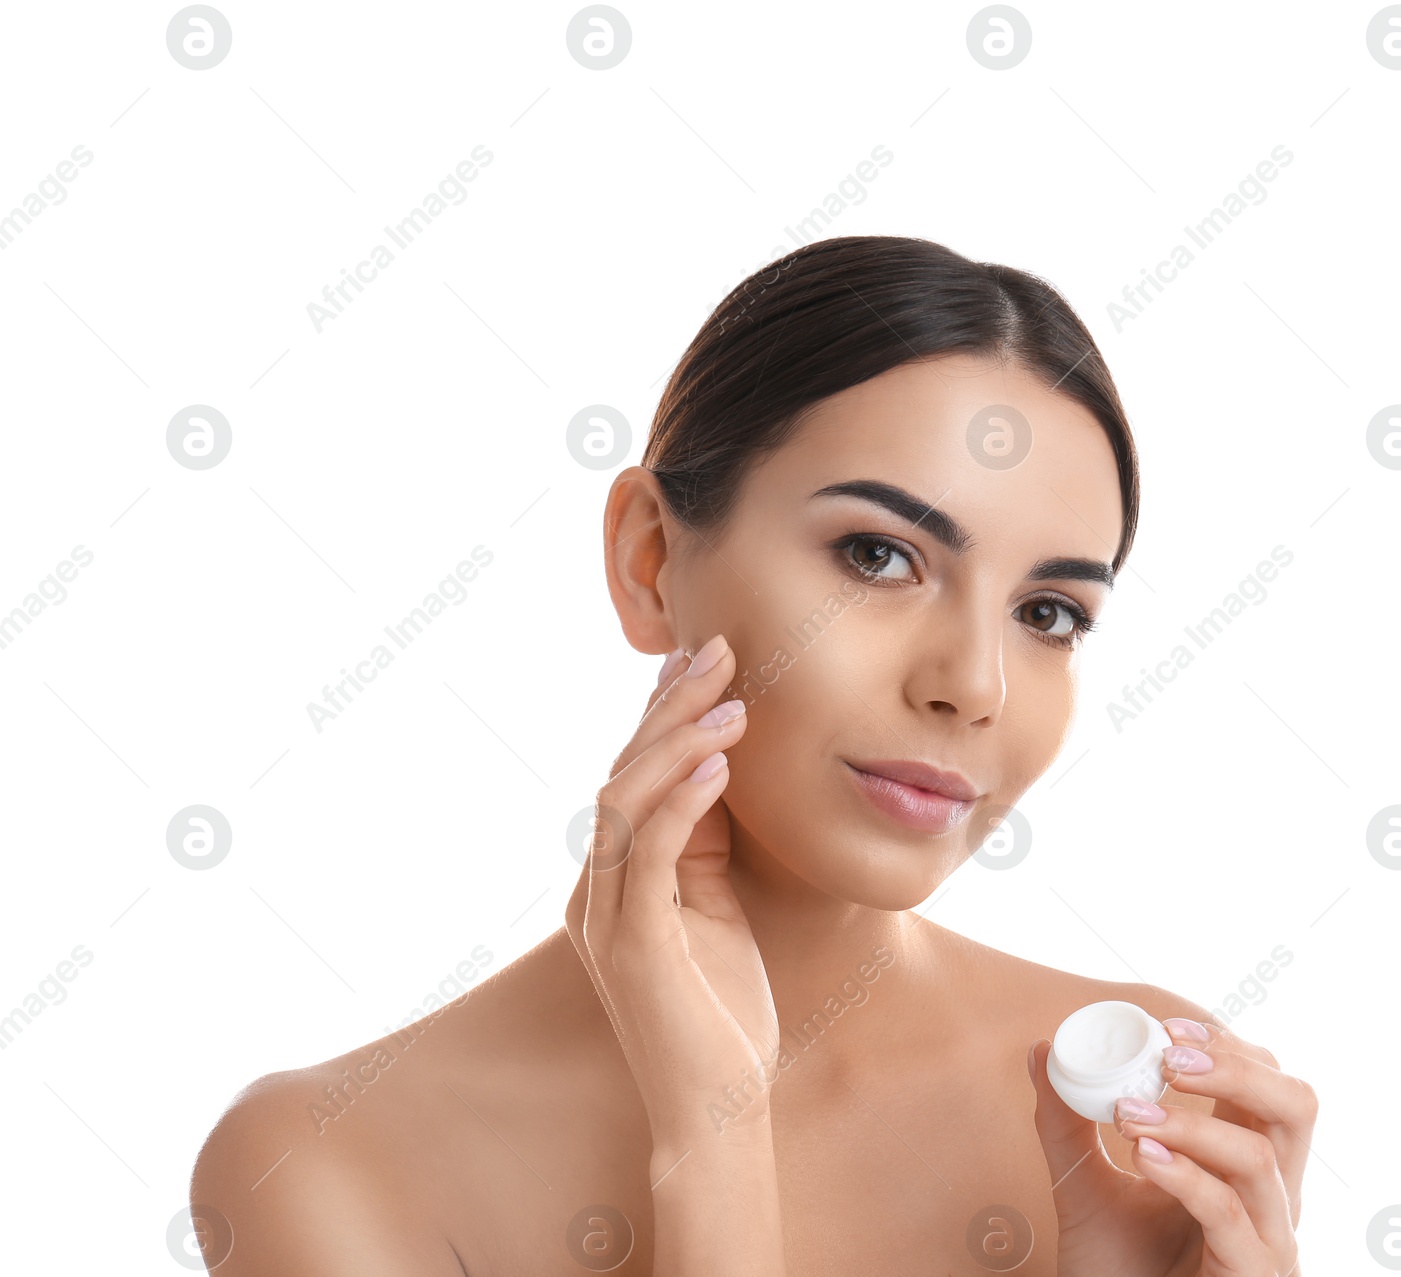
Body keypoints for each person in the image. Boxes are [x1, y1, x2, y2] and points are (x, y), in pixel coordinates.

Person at [189, 234, 1316, 1275]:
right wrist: (712, 1135)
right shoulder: (329, 1162)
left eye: (1050, 613)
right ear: (647, 558)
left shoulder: (1139, 1111)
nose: (973, 683)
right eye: (878, 554)